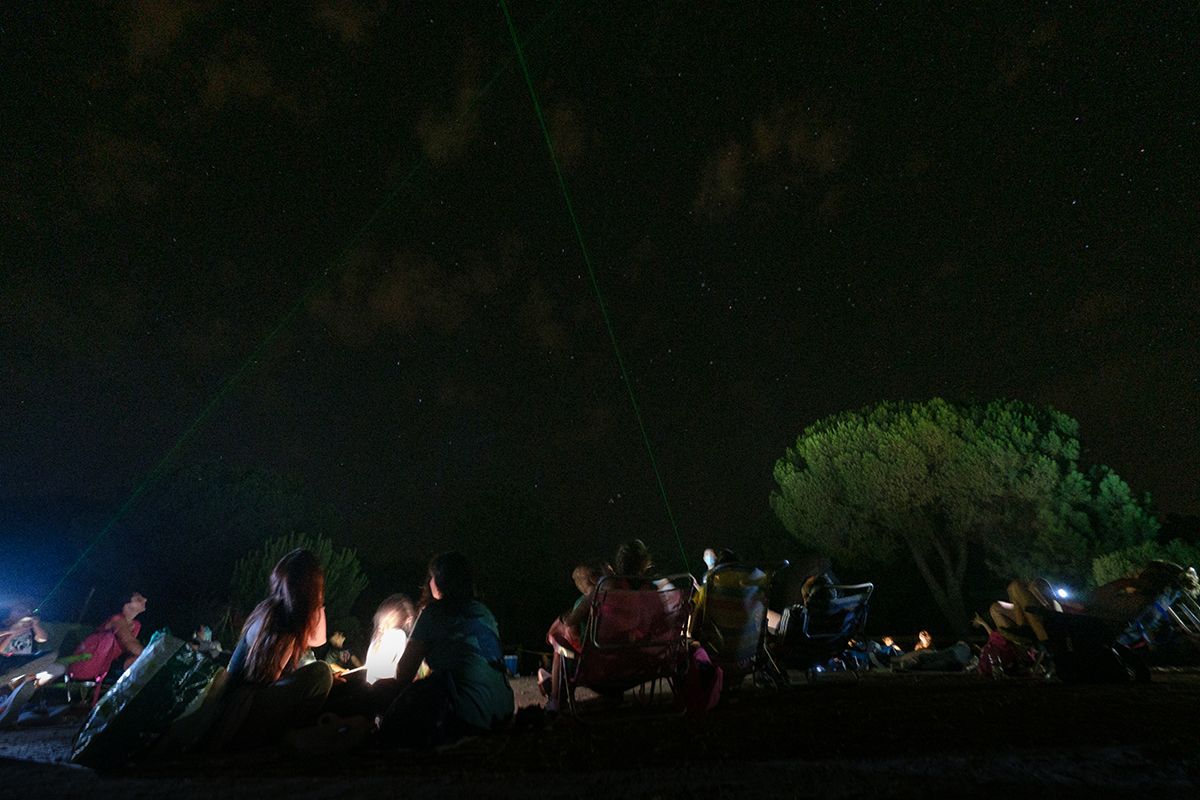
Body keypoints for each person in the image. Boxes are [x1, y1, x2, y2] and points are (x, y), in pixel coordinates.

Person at [379, 552, 513, 747]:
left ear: (438, 581)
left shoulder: (433, 614)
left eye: (431, 576)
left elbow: (403, 673)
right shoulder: (485, 613)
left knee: (396, 693)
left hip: (468, 715)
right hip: (503, 711)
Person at [211, 550, 332, 750]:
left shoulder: (274, 609)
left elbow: (316, 641)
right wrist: (317, 604)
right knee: (321, 674)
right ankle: (282, 742)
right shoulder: (280, 622)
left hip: (241, 707)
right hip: (239, 714)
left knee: (321, 675)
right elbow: (263, 681)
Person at [67, 592, 148, 690]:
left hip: (104, 667)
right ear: (126, 605)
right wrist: (153, 655)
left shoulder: (136, 625)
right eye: (139, 599)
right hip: (85, 665)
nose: (145, 600)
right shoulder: (117, 619)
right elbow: (130, 644)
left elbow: (131, 650)